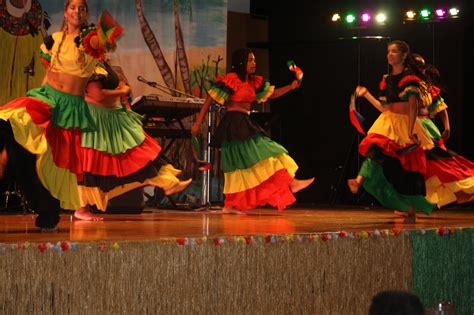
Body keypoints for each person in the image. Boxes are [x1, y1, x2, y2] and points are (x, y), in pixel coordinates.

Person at [0, 0, 191, 228]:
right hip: (46, 97)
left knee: (56, 163)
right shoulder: (53, 40)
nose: (77, 12)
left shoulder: (88, 39)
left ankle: (50, 208)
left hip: (71, 107)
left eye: (82, 8)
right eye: (73, 7)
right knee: (10, 122)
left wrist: (104, 33)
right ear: (65, 11)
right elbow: (48, 74)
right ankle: (9, 164)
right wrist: (36, 95)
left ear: (85, 13)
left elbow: (100, 39)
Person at [191, 48, 314, 214]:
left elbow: (273, 94)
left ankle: (230, 205)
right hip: (234, 124)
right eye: (250, 60)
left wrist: (291, 87)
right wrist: (198, 122)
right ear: (242, 62)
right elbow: (209, 99)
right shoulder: (232, 80)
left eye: (254, 60)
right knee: (257, 155)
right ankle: (289, 184)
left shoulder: (253, 82)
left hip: (244, 122)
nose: (254, 63)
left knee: (242, 165)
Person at [346, 40, 435, 222]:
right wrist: (367, 94)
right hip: (388, 122)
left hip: (405, 125)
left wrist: (410, 131)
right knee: (375, 149)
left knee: (405, 169)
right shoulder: (386, 80)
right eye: (388, 52)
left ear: (403, 56)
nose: (389, 55)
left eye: (394, 52)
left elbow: (412, 107)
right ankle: (359, 180)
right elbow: (384, 108)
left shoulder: (410, 78)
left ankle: (409, 207)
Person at [412, 53, 474, 207]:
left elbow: (441, 108)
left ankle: (460, 192)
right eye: (419, 66)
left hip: (427, 128)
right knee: (419, 167)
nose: (423, 70)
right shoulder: (407, 87)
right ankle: (409, 204)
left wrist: (447, 126)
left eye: (423, 66)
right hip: (412, 127)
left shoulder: (428, 88)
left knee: (440, 162)